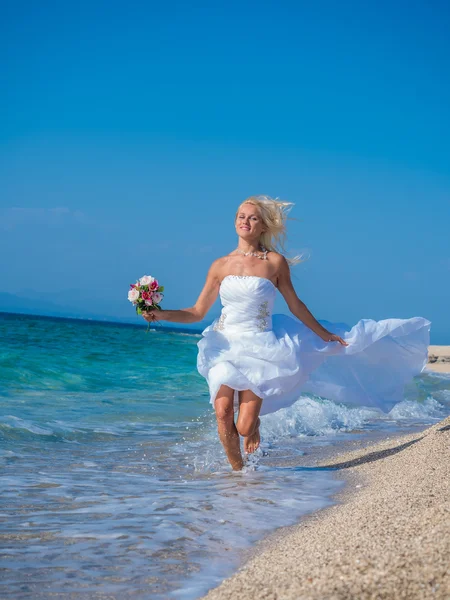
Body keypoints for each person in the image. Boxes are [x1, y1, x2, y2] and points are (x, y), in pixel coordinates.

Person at [142, 195, 431, 471]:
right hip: (224, 344)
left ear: (263, 226)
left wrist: (323, 333)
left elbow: (295, 304)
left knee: (243, 426)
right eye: (241, 217)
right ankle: (239, 475)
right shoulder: (220, 265)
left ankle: (255, 427)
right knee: (221, 413)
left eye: (253, 218)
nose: (246, 222)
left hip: (261, 348)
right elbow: (197, 312)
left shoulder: (274, 263)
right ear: (235, 221)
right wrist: (161, 314)